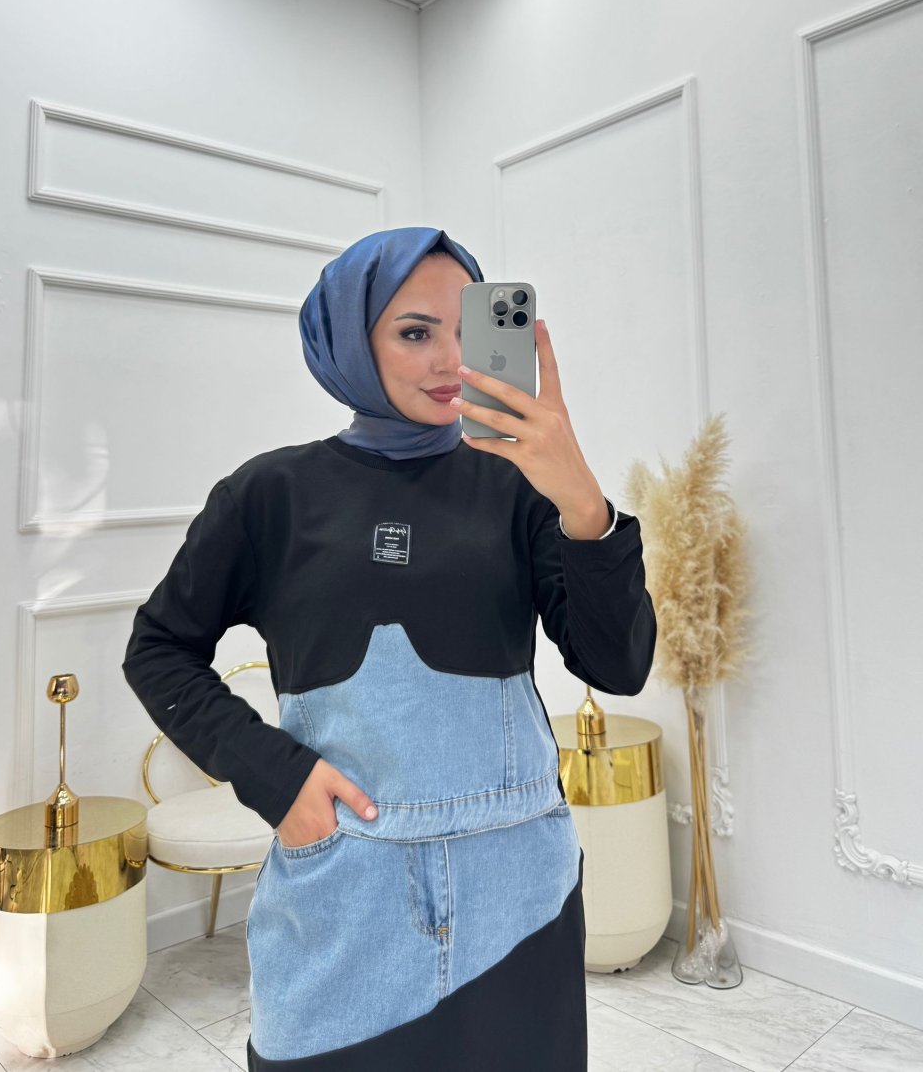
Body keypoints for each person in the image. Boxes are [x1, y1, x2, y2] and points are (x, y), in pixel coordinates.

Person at [122, 226, 656, 1070]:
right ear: (349, 341)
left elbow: (617, 665)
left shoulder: (519, 487)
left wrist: (581, 501)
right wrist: (275, 775)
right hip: (346, 887)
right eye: (415, 332)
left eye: (467, 330)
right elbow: (158, 647)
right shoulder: (270, 494)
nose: (451, 359)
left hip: (517, 889)